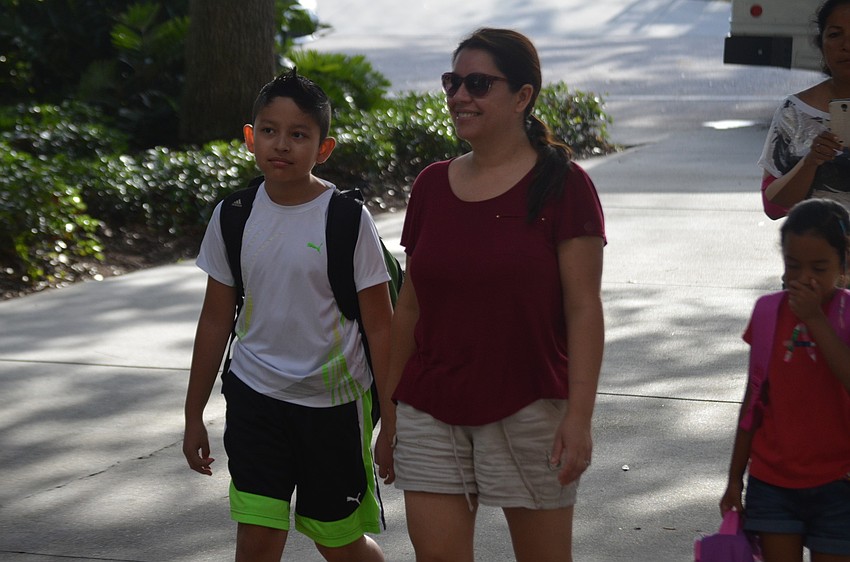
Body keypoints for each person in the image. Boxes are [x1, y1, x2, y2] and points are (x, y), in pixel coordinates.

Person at [375, 28, 606, 562]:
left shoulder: (564, 186)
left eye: (477, 83)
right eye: (452, 82)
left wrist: (579, 418)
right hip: (430, 406)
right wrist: (391, 417)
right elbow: (409, 307)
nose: (459, 96)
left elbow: (583, 309)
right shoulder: (431, 185)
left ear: (523, 96)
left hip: (528, 406)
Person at [182, 68, 391, 562]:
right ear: (251, 138)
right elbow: (214, 319)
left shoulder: (346, 218)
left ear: (324, 149)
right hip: (256, 399)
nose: (282, 145)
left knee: (338, 543)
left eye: (299, 135)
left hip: (333, 408)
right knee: (256, 540)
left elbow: (381, 325)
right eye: (271, 131)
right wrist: (193, 414)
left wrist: (395, 422)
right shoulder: (233, 215)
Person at [720, 198, 850, 562]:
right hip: (773, 482)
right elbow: (752, 401)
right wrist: (734, 479)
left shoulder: (846, 314)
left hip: (839, 483)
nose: (803, 277)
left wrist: (816, 320)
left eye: (819, 267)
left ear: (844, 261)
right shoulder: (767, 313)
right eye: (793, 266)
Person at [760, 0, 850, 219]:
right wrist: (810, 161)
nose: (846, 45)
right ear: (821, 44)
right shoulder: (795, 111)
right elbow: (772, 206)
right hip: (819, 250)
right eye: (835, 35)